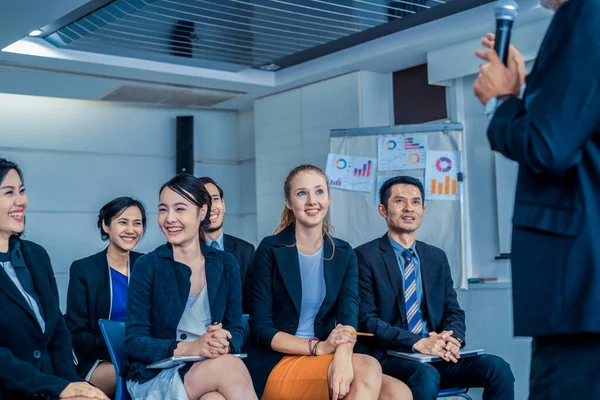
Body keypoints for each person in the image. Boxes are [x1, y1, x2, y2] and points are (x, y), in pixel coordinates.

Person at [474, 0, 600, 397]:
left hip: (580, 291)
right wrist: (525, 97)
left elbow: (548, 146)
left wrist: (502, 100)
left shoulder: (585, 12)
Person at [245, 164, 412, 400]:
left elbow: (348, 317)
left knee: (399, 393)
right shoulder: (270, 249)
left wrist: (342, 357)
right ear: (289, 202)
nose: (312, 200)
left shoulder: (344, 253)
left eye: (319, 191)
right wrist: (318, 347)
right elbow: (261, 329)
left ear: (328, 197)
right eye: (302, 193)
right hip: (277, 362)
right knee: (367, 368)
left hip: (326, 356)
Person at [356, 176, 514, 400]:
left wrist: (453, 339)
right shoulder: (364, 256)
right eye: (400, 201)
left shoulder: (435, 257)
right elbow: (367, 320)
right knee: (426, 376)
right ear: (383, 210)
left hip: (433, 355)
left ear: (423, 209)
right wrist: (417, 342)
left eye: (416, 202)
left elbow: (453, 310)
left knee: (498, 368)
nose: (409, 208)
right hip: (390, 356)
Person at [122, 173, 257, 400]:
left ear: (201, 212)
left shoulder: (225, 264)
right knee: (229, 367)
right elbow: (133, 342)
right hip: (157, 375)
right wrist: (192, 348)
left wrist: (225, 342)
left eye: (180, 209)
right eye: (163, 209)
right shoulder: (147, 266)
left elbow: (237, 328)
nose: (169, 218)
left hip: (210, 367)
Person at [0, 158, 108, 400]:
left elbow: (57, 330)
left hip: (50, 385)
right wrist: (55, 387)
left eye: (22, 191)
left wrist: (72, 384)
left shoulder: (35, 256)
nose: (21, 201)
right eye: (9, 193)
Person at [66, 197, 146, 397]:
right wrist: (124, 348)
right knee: (137, 376)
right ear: (105, 225)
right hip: (98, 358)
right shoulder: (84, 269)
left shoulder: (148, 266)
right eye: (122, 222)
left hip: (144, 355)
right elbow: (76, 333)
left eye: (137, 223)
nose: (131, 230)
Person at [198, 176, 255, 313]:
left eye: (215, 198)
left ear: (223, 204)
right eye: (202, 201)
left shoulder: (246, 250)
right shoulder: (182, 250)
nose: (211, 206)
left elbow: (252, 303)